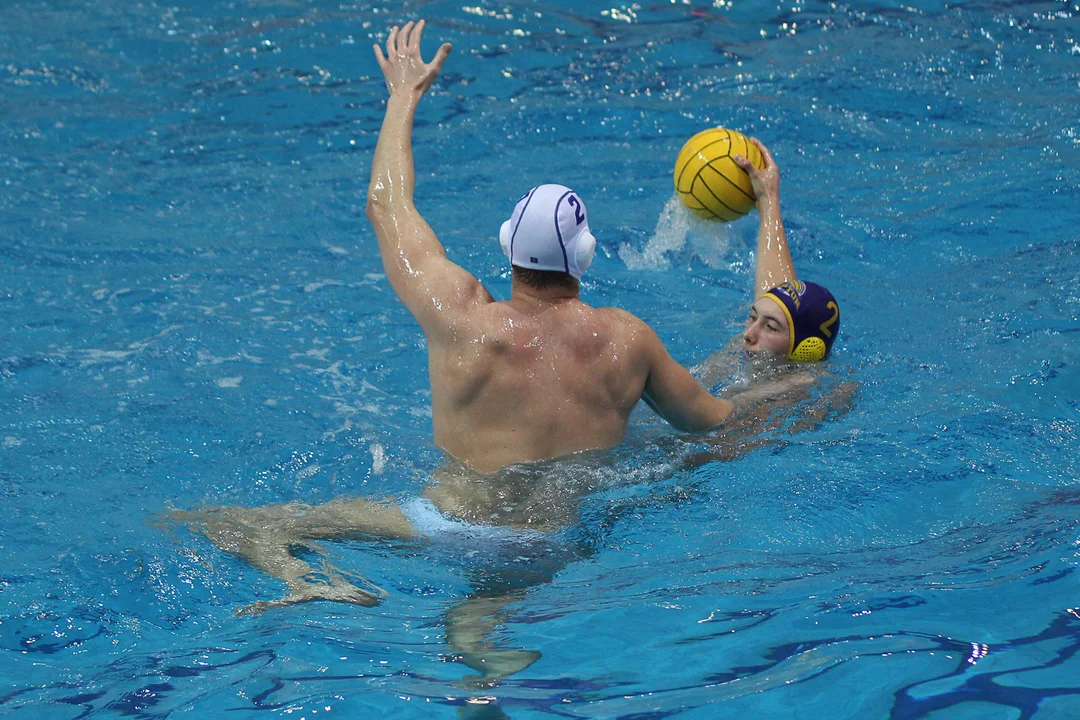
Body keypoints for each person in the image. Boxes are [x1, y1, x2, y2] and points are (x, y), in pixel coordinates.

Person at [169, 19, 844, 694]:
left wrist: (404, 92)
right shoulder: (627, 341)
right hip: (550, 543)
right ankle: (478, 658)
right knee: (482, 609)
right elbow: (719, 419)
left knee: (222, 522)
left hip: (442, 522)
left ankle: (311, 580)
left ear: (506, 249)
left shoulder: (459, 315)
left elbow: (386, 207)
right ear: (584, 258)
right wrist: (769, 210)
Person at [698, 137, 841, 387]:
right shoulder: (775, 356)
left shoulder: (779, 398)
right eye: (752, 317)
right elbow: (780, 302)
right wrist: (767, 197)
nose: (748, 334)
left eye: (771, 328)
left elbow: (698, 420)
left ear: (804, 349)